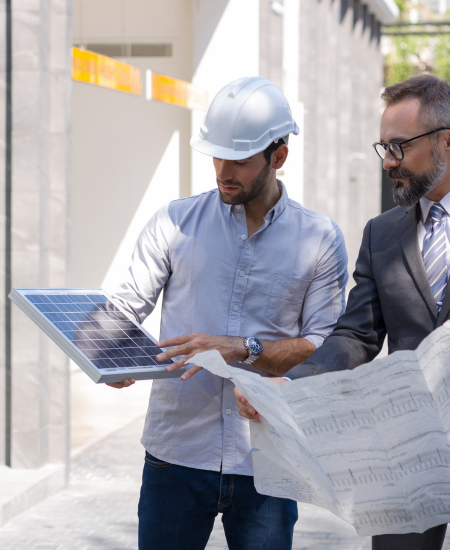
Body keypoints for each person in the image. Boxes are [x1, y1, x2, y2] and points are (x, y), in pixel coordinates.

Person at [106, 77, 348, 550]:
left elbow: (324, 348)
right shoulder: (174, 223)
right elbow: (122, 310)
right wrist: (105, 354)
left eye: (238, 159)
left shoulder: (319, 240)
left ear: (278, 157)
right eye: (216, 155)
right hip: (175, 453)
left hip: (267, 462)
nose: (222, 170)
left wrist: (243, 349)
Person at [235, 74, 450, 550]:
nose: (389, 162)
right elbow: (355, 338)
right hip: (409, 452)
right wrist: (289, 387)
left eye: (400, 147)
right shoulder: (382, 234)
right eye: (383, 148)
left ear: (446, 142)